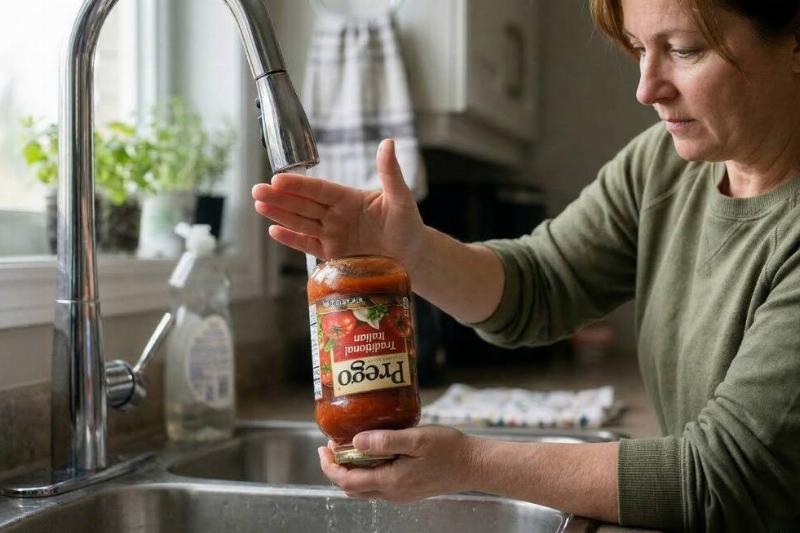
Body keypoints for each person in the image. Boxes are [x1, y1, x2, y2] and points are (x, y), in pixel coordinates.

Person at [251, 0, 800, 530]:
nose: (646, 88)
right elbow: (542, 285)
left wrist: (468, 464)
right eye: (638, 48)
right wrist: (414, 251)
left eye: (683, 49)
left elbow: (718, 480)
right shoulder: (662, 166)